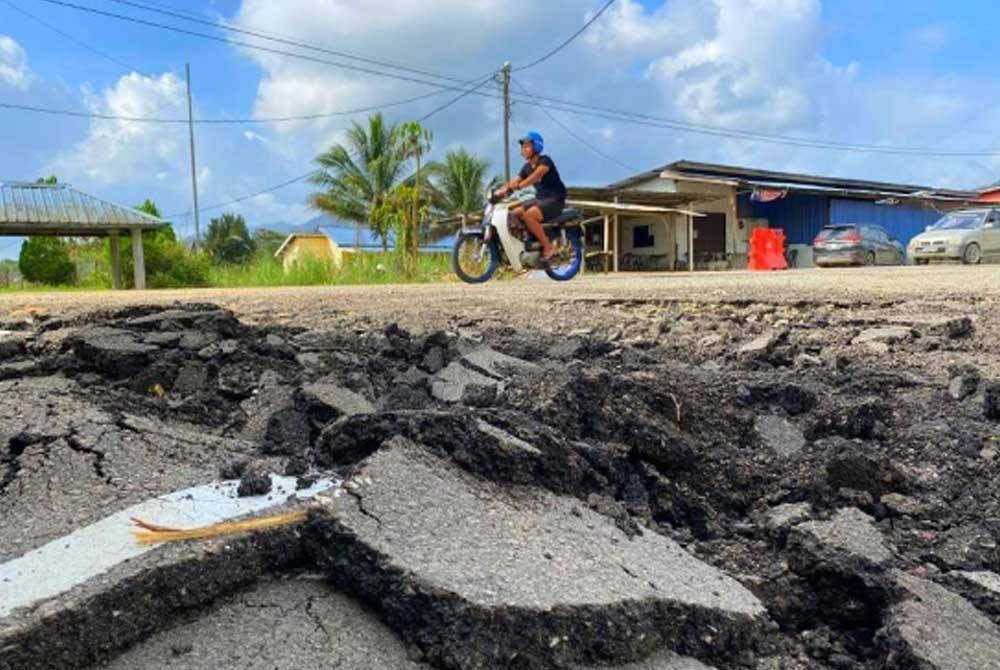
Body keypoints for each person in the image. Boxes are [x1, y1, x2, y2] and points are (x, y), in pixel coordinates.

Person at [497, 131, 567, 262]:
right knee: (513, 214)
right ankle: (525, 242)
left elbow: (535, 177)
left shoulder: (545, 161)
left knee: (529, 216)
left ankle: (548, 246)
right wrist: (502, 190)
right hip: (540, 199)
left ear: (537, 146)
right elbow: (515, 180)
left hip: (555, 199)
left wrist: (519, 186)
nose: (524, 149)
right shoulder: (526, 167)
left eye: (527, 146)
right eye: (523, 147)